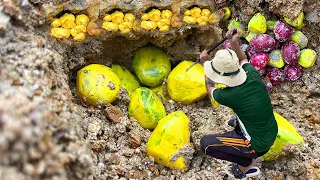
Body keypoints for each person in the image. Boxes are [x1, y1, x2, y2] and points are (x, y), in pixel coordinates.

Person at [199, 29, 278, 179]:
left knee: (206, 144)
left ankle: (245, 164)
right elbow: (243, 59)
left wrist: (205, 64)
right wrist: (234, 42)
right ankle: (242, 131)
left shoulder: (229, 95)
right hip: (270, 130)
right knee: (241, 114)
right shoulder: (251, 72)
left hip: (257, 145)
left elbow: (210, 89)